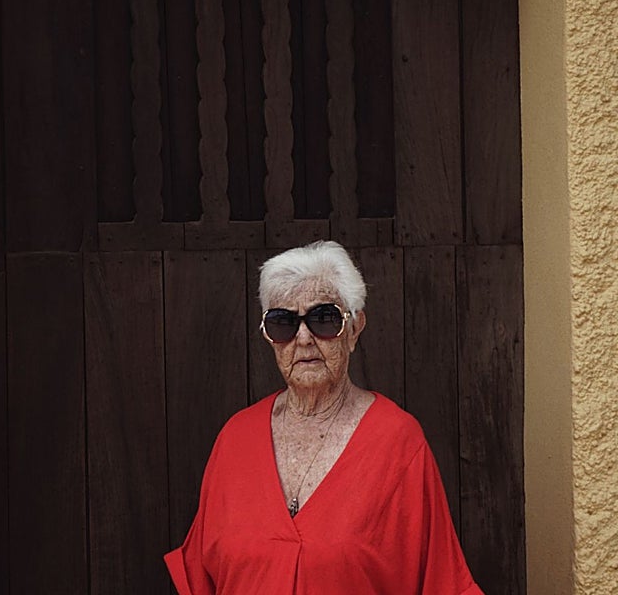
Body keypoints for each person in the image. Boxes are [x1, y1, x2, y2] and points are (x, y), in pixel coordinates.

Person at [165, 240, 483, 594]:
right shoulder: (235, 439)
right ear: (270, 338)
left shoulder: (397, 443)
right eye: (283, 322)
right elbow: (200, 579)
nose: (303, 338)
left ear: (354, 328)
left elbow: (441, 580)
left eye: (324, 318)